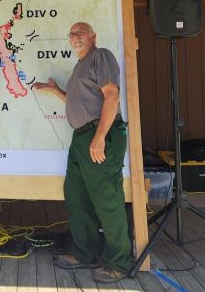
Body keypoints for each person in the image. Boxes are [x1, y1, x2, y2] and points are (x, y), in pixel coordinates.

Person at [33, 22, 131, 283]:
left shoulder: (101, 56)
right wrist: (56, 91)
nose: (75, 36)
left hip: (100, 136)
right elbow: (80, 102)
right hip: (80, 139)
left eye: (81, 32)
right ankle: (85, 253)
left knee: (107, 201)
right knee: (76, 196)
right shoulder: (80, 66)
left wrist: (99, 137)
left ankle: (119, 262)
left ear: (93, 36)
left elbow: (112, 97)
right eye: (72, 34)